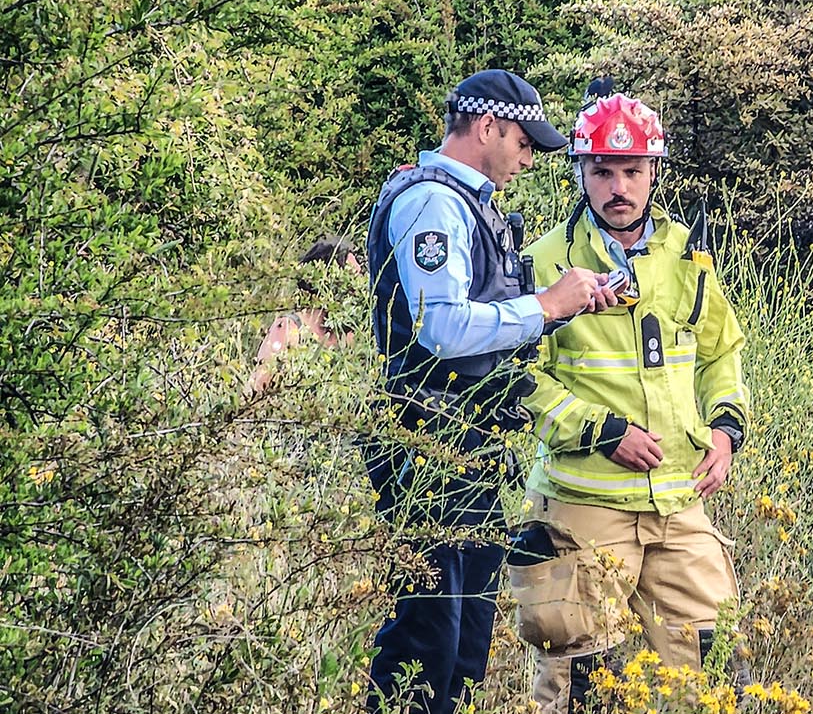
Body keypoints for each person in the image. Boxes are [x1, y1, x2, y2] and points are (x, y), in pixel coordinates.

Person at [363, 69, 617, 714]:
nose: (529, 158)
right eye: (524, 142)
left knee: (467, 639)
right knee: (429, 636)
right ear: (487, 128)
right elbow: (441, 327)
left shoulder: (472, 204)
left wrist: (566, 309)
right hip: (425, 437)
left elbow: (485, 325)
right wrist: (544, 304)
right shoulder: (433, 203)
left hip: (467, 443)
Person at [510, 87, 751, 711]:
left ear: (654, 173)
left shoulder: (689, 260)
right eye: (603, 171)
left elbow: (721, 353)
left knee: (710, 672)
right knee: (576, 679)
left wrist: (725, 432)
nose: (619, 186)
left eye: (632, 171)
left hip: (679, 500)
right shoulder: (542, 264)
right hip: (583, 503)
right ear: (581, 174)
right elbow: (516, 376)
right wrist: (602, 432)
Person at [245, 234, 362, 396]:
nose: (358, 290)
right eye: (352, 280)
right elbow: (255, 389)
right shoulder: (288, 329)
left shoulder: (350, 334)